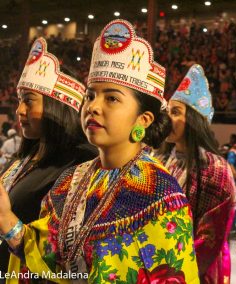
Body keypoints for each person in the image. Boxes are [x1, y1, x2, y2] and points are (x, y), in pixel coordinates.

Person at [0, 19, 199, 283]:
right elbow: (48, 258)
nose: (93, 106)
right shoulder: (69, 181)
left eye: (112, 98)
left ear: (143, 119)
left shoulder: (161, 193)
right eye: (91, 95)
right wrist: (5, 218)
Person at [0, 37, 97, 276]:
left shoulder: (81, 164)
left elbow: (69, 253)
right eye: (20, 100)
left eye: (29, 101)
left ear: (57, 105)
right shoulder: (23, 158)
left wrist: (5, 219)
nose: (19, 110)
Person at [156, 64, 236, 284]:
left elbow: (209, 238)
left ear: (193, 119)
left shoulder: (214, 169)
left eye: (175, 112)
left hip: (195, 273)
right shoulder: (160, 159)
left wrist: (174, 274)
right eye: (168, 111)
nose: (168, 119)